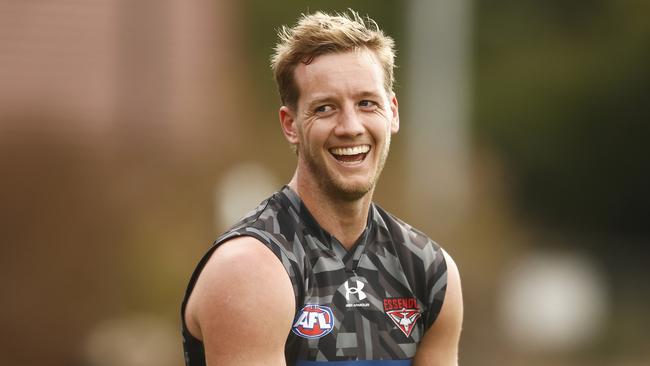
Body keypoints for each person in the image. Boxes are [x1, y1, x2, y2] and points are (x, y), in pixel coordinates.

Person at [181, 9, 463, 366]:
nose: (350, 126)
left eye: (366, 104)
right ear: (291, 124)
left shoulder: (429, 271)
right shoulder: (251, 270)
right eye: (326, 108)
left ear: (392, 112)